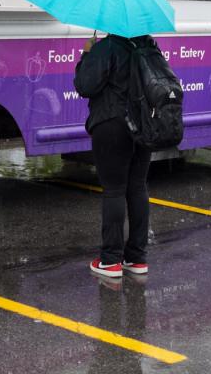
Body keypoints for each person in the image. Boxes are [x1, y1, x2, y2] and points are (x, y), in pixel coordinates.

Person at [74, 32, 153, 278]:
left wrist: (86, 54)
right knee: (138, 187)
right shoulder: (149, 46)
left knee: (114, 190)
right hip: (144, 126)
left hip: (112, 124)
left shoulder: (106, 48)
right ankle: (136, 258)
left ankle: (110, 260)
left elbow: (84, 86)